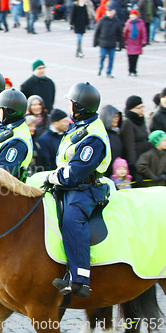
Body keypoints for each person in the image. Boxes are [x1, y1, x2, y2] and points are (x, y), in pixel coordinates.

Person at [47, 82, 111, 298]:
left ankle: (80, 279)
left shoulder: (94, 137)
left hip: (85, 189)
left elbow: (75, 173)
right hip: (68, 183)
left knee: (72, 219)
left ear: (80, 107)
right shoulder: (80, 125)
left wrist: (51, 176)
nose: (69, 108)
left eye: (72, 104)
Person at [120, 95, 152, 184]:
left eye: (142, 107)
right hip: (137, 164)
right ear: (131, 109)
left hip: (145, 161)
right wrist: (134, 168)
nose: (142, 110)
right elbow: (130, 147)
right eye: (139, 108)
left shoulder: (141, 120)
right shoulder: (127, 123)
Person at [93, 6, 123, 78]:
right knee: (102, 56)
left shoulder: (117, 21)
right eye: (108, 11)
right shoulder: (102, 20)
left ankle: (109, 72)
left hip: (112, 43)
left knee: (111, 59)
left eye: (111, 11)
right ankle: (100, 68)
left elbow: (120, 34)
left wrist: (120, 45)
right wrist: (95, 42)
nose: (109, 12)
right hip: (103, 42)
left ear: (114, 12)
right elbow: (97, 31)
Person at [99, 105, 123, 177]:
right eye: (115, 117)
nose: (117, 119)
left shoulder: (117, 134)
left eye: (118, 117)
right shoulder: (102, 136)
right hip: (107, 174)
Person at [123, 10, 148, 76]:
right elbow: (125, 33)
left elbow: (144, 33)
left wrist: (144, 42)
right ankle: (130, 70)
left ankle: (134, 70)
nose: (132, 16)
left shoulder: (141, 23)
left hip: (137, 43)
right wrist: (123, 42)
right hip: (130, 43)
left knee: (135, 58)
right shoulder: (128, 23)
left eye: (134, 15)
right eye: (131, 15)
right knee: (130, 58)